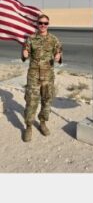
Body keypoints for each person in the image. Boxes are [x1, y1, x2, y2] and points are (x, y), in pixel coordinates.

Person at [21, 14, 62, 142]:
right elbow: (25, 54)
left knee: (47, 101)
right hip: (33, 77)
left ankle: (43, 122)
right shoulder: (31, 39)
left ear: (48, 24)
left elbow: (59, 52)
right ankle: (28, 126)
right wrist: (24, 53)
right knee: (31, 102)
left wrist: (58, 56)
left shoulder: (54, 39)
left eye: (45, 23)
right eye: (40, 23)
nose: (43, 25)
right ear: (37, 24)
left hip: (48, 77)